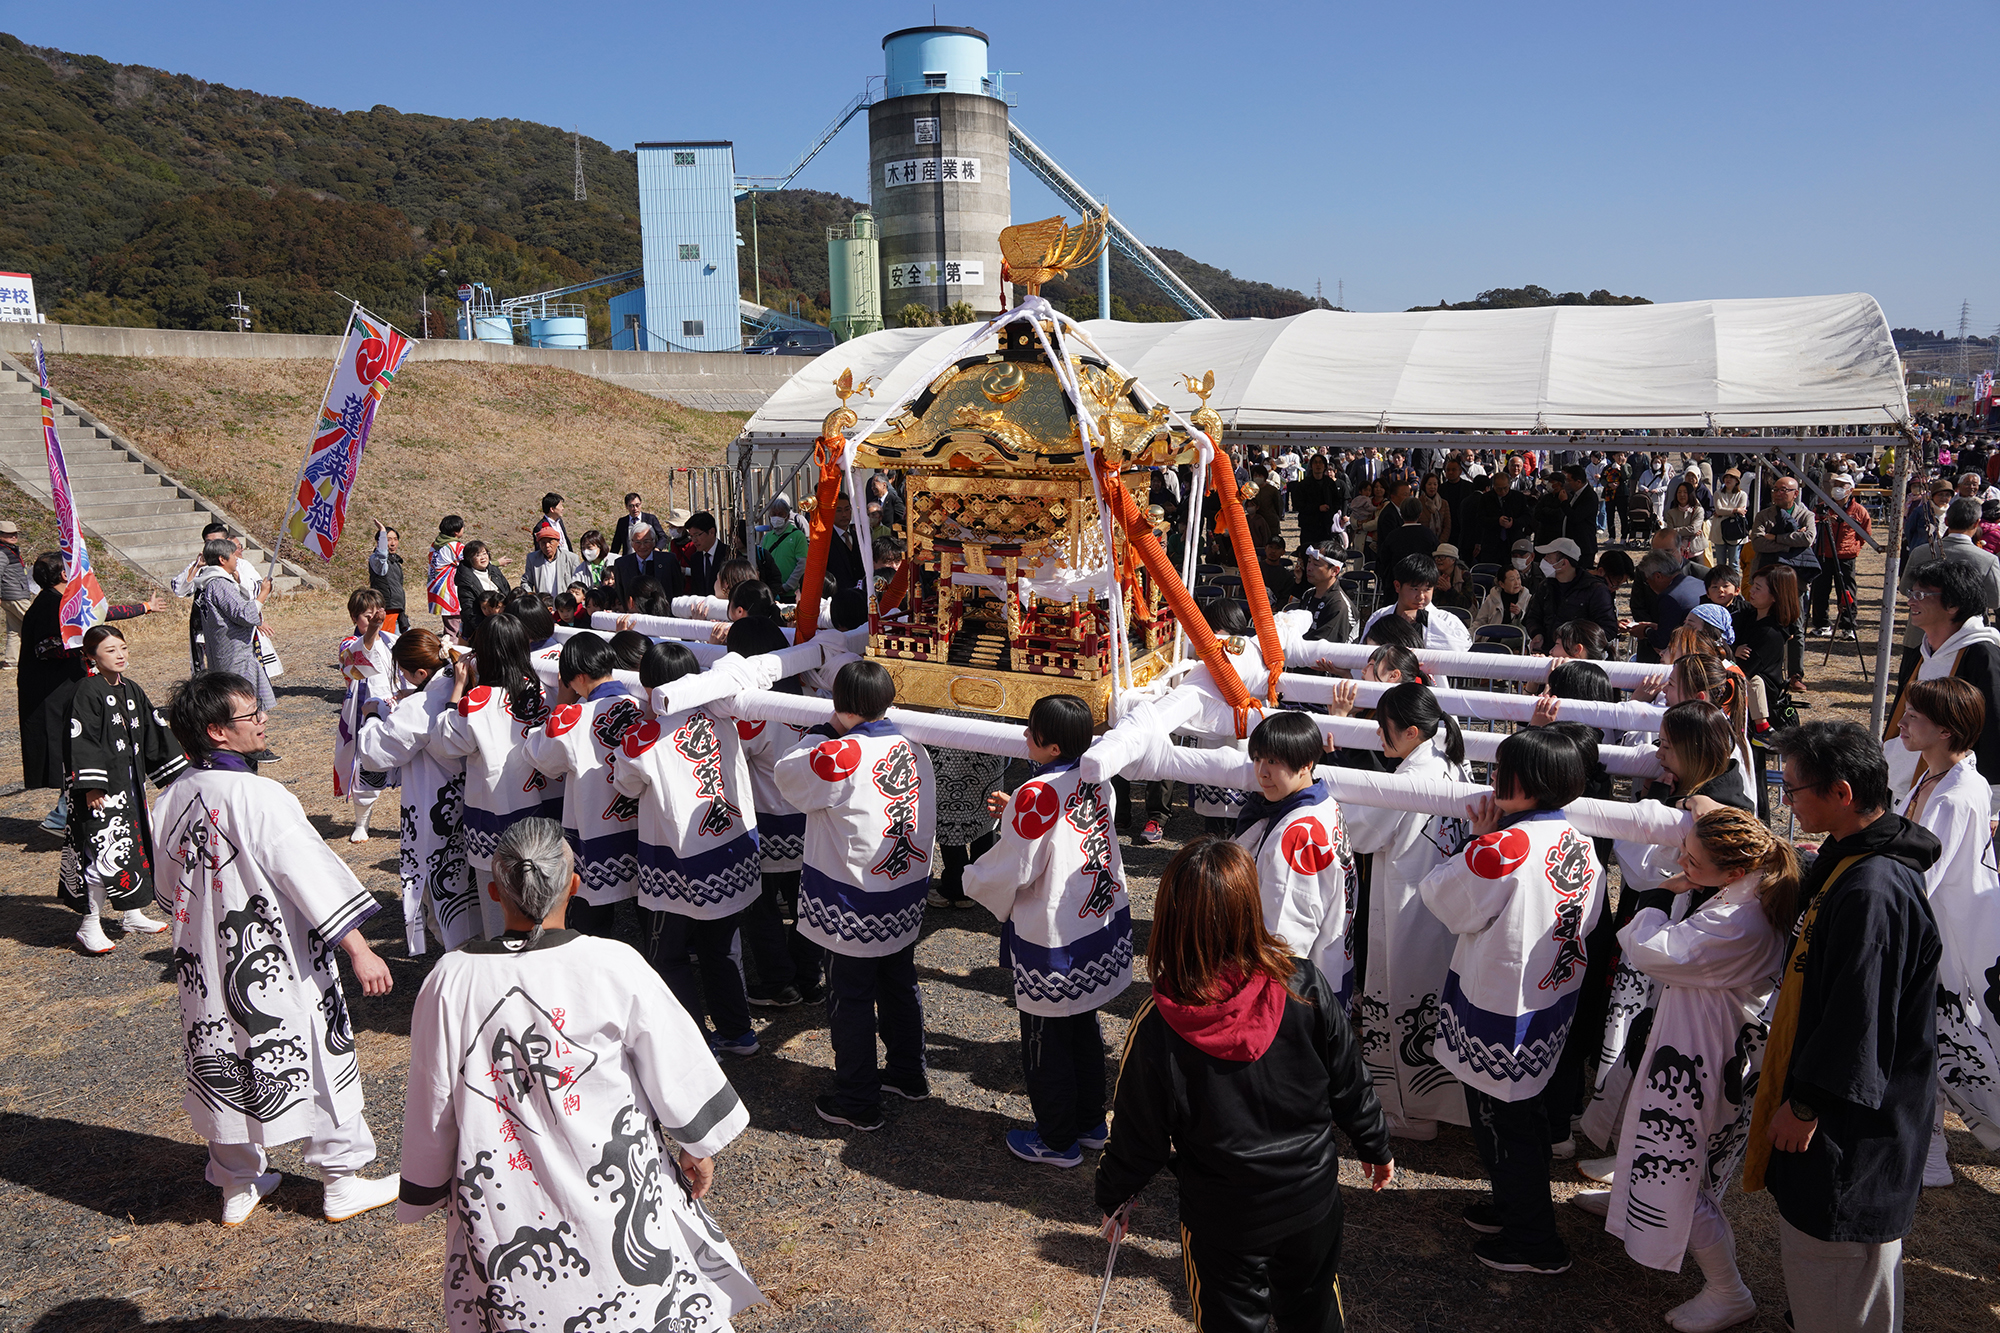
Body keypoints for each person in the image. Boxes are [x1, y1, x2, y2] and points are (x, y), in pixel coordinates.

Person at [396, 817, 762, 1330]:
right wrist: (696, 1145)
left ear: (495, 892)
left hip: (505, 1194)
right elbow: (677, 1062)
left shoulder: (450, 979)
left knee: (522, 1301)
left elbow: (432, 1093)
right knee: (636, 1296)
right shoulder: (612, 964)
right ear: (574, 884)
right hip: (614, 1180)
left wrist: (429, 1180)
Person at [1094, 837, 1393, 1333]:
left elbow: (1138, 1133)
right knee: (1315, 1313)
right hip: (1310, 1197)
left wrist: (1114, 1194)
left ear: (1170, 918)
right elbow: (1350, 1079)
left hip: (1224, 1218)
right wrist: (1374, 1143)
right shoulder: (1303, 983)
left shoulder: (1159, 1025)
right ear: (1249, 908)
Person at [156, 670, 399, 1227]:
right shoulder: (259, 795)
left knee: (219, 1050)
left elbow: (167, 887)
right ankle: (340, 1180)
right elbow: (307, 875)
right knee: (315, 1045)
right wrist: (359, 948)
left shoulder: (172, 797)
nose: (263, 719)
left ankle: (237, 1181)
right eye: (251, 714)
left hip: (205, 959)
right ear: (217, 731)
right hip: (277, 953)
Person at [1745, 723, 1941, 1333]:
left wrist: (1805, 1104)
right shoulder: (1849, 858)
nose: (1787, 801)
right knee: (1834, 1279)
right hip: (1841, 1115)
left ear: (1842, 792)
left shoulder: (1872, 890)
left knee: (1842, 1266)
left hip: (1851, 1129)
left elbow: (1860, 1019)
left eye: (1794, 789)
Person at [1420, 728, 1602, 1274]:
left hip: (1499, 1005)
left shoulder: (1503, 847)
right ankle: (1515, 1209)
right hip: (1546, 998)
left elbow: (1442, 897)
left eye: (1504, 770)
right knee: (1523, 1115)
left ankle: (1534, 1240)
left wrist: (1478, 841)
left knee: (1503, 1121)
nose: (1495, 778)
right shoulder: (1578, 840)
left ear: (1533, 780)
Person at [964, 694, 1131, 1167]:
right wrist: (1015, 813)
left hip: (1054, 930)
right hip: (1093, 919)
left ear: (1052, 746)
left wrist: (971, 878)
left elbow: (1016, 866)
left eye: (1032, 730)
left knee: (1046, 1037)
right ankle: (1090, 1121)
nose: (1024, 735)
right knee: (1083, 1024)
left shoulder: (1036, 793)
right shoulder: (1096, 776)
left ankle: (1056, 1139)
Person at [774, 660, 936, 1132]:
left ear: (839, 703)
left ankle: (857, 1098)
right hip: (901, 890)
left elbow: (789, 776)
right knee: (899, 982)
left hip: (852, 898)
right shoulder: (912, 746)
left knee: (851, 996)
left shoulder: (838, 752)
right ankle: (908, 1072)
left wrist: (823, 731)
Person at [1329, 682, 1472, 1139]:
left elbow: (1363, 832)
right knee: (1429, 998)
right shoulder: (1448, 760)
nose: (1378, 733)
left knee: (1404, 995)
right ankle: (1430, 1104)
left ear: (1411, 731)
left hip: (1410, 904)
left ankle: (1412, 1112)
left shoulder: (1413, 777)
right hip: (1440, 900)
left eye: (1383, 726)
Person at [614, 641, 762, 1056]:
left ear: (650, 687)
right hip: (732, 847)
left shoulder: (644, 736)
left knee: (668, 954)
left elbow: (625, 784)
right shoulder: (721, 715)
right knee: (723, 946)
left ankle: (693, 1044)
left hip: (677, 859)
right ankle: (738, 1031)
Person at [1895, 677, 2000, 1174]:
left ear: (1945, 731)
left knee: (1949, 1044)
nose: (1901, 723)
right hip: (1937, 932)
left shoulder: (1956, 794)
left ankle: (1932, 1153)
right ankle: (1931, 1152)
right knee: (1932, 1041)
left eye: (1913, 717)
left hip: (1946, 938)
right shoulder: (1936, 777)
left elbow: (1921, 875)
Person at [58, 624, 186, 954]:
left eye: (123, 648)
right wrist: (91, 787)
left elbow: (155, 733)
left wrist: (177, 774)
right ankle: (89, 924)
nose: (120, 655)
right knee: (102, 850)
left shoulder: (131, 689)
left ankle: (132, 913)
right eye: (110, 650)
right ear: (90, 656)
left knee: (135, 845)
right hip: (100, 790)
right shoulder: (86, 691)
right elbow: (81, 740)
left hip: (131, 786)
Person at [353, 628, 476, 953]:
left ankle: (460, 959)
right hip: (471, 801)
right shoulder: (459, 680)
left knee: (441, 898)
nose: (404, 679)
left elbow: (375, 752)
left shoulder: (421, 704)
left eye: (406, 673)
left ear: (421, 673)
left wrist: (373, 715)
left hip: (434, 806)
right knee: (473, 890)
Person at [432, 613, 552, 940]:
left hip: (495, 813)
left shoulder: (476, 701)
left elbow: (446, 743)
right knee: (544, 895)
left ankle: (503, 955)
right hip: (543, 808)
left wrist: (458, 688)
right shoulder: (542, 689)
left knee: (498, 899)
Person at [725, 616, 823, 1008]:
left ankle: (780, 982)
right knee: (806, 905)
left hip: (767, 822)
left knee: (761, 908)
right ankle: (809, 978)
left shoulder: (752, 711)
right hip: (810, 822)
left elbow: (733, 758)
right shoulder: (813, 694)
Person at [17, 551, 154, 831]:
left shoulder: (64, 601)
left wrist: (144, 607)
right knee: (77, 747)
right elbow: (45, 647)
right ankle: (61, 816)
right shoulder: (49, 604)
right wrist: (85, 648)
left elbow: (99, 614)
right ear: (64, 574)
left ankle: (64, 814)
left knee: (80, 748)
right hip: (53, 694)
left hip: (67, 688)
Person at [522, 631, 644, 938]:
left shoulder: (574, 716)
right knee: (650, 910)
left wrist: (561, 706)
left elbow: (542, 758)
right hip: (645, 824)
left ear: (578, 677)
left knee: (592, 915)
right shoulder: (642, 703)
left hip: (596, 826)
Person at [1882, 560, 2000, 809]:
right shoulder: (1921, 651)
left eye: (1921, 595)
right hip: (1903, 789)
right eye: (1911, 593)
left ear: (1953, 605)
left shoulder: (1983, 657)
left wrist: (1994, 804)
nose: (1910, 601)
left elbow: (1994, 730)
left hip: (1947, 797)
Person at [1898, 498, 2000, 676]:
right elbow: (1994, 601)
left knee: (1912, 686)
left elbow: (1905, 588)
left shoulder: (1920, 552)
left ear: (1946, 521)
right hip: (1965, 639)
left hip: (1920, 636)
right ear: (1976, 523)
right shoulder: (1987, 560)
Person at [334, 588, 395, 843]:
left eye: (376, 615)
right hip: (365, 710)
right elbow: (354, 663)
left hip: (395, 706)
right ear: (354, 617)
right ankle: (361, 822)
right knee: (366, 762)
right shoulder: (348, 643)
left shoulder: (392, 640)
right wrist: (372, 630)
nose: (373, 620)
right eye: (366, 616)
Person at [1733, 565, 1804, 729]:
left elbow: (1744, 670)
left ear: (1775, 596)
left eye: (1758, 588)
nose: (1752, 590)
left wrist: (1729, 652)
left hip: (1761, 705)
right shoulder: (1751, 614)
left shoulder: (1770, 633)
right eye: (1753, 585)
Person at [1359, 553, 1472, 652]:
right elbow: (1365, 653)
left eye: (1427, 589)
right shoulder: (1379, 616)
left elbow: (1462, 649)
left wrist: (1424, 617)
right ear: (1397, 586)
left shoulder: (1447, 621)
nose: (1421, 596)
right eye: (1415, 589)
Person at [1524, 538, 1618, 652]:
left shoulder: (1595, 589)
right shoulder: (1545, 586)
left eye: (1548, 557)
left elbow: (1608, 629)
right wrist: (1537, 633)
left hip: (1579, 655)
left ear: (1563, 563)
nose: (1544, 560)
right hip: (1548, 652)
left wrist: (1576, 644)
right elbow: (1532, 616)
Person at [1810, 473, 1870, 635]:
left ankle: (1848, 625)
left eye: (1842, 486)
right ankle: (1821, 624)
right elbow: (1812, 526)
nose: (1837, 489)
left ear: (1850, 490)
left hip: (1846, 557)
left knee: (1847, 592)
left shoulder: (1859, 511)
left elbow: (1865, 534)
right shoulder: (1822, 508)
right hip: (1824, 554)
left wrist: (1854, 548)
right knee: (1820, 591)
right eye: (1835, 485)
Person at [1749, 474, 1817, 574]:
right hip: (1766, 570)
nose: (1778, 494)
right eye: (1775, 490)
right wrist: (1792, 545)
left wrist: (1776, 538)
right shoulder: (1763, 515)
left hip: (1796, 571)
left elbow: (1808, 538)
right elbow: (1757, 543)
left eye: (1783, 490)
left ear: (1795, 493)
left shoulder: (1806, 515)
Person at [612, 520, 682, 604]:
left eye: (646, 542)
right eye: (638, 542)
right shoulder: (621, 564)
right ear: (631, 543)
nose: (642, 546)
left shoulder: (668, 560)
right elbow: (621, 593)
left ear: (654, 542)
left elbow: (678, 588)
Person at [453, 541, 508, 645]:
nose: (483, 558)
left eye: (484, 553)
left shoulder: (494, 570)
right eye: (477, 555)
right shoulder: (466, 579)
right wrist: (485, 630)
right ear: (469, 558)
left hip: (502, 623)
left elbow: (506, 591)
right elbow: (469, 609)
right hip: (481, 629)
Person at [0, 519, 34, 668]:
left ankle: (11, 660)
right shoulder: (2, 552)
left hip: (12, 595)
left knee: (15, 629)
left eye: (15, 534)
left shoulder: (10, 550)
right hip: (14, 595)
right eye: (8, 534)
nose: (13, 536)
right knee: (37, 621)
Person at [1292, 452, 1343, 551]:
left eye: (1320, 462)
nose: (1318, 465)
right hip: (1309, 525)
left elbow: (1337, 501)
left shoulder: (1330, 483)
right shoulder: (1304, 484)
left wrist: (1331, 510)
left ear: (1325, 466)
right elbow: (1298, 504)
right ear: (1311, 466)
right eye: (1315, 462)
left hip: (1325, 525)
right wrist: (1317, 508)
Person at [519, 520, 583, 597]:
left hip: (564, 602)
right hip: (543, 602)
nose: (547, 546)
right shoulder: (533, 558)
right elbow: (526, 581)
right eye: (543, 543)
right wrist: (530, 595)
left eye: (550, 542)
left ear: (558, 542)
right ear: (539, 544)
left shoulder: (571, 558)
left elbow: (578, 584)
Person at [426, 515, 466, 640]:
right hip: (449, 591)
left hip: (437, 590)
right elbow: (472, 562)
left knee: (449, 627)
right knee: (455, 631)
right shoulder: (455, 546)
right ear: (456, 532)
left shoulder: (435, 545)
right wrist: (497, 563)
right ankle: (453, 650)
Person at [1471, 563, 1533, 632]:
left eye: (1518, 578)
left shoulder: (1528, 598)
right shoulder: (1492, 598)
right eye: (1512, 579)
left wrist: (1520, 614)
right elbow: (1480, 622)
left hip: (1517, 637)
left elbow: (1533, 623)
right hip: (1493, 635)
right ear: (1501, 584)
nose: (1517, 583)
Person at [367, 520, 405, 633]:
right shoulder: (377, 560)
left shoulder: (395, 561)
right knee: (386, 639)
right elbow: (382, 555)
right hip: (386, 608)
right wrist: (382, 531)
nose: (393, 543)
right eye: (388, 540)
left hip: (397, 608)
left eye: (395, 539)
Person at [680, 511, 729, 596]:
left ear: (711, 532)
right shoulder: (695, 558)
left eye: (697, 535)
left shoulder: (728, 554)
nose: (694, 540)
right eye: (691, 536)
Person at [1663, 479, 1710, 565]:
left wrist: (1676, 530)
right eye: (1679, 492)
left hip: (1695, 550)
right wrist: (1688, 531)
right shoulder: (1671, 513)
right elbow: (1670, 532)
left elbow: (1693, 529)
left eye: (1685, 492)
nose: (1682, 495)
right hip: (1678, 552)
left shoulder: (1698, 510)